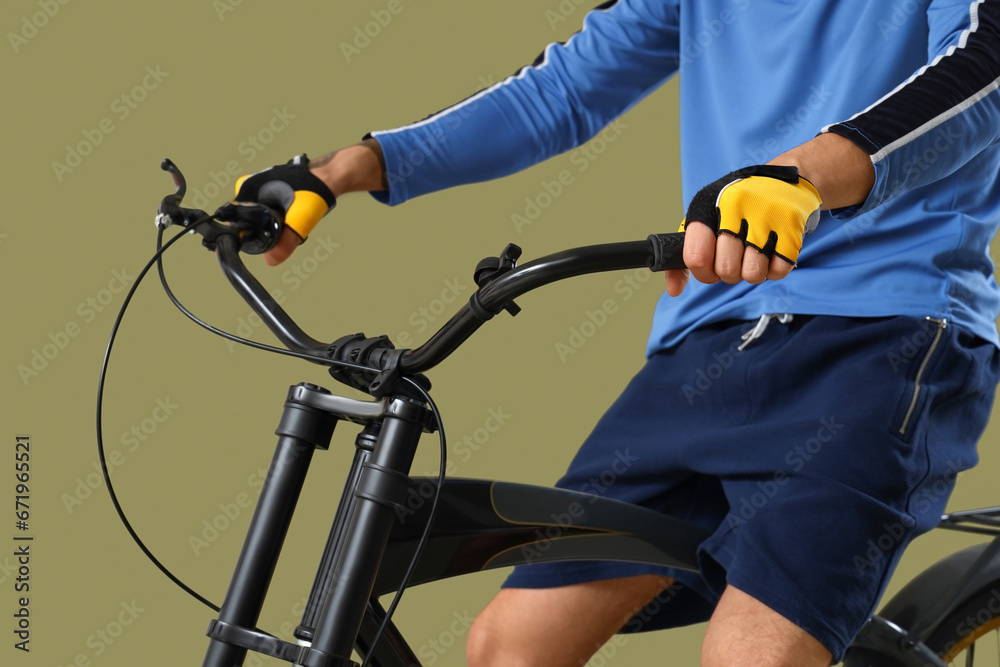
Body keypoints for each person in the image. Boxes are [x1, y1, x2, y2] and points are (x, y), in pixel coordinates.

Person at [231, 1, 1000, 664]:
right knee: (511, 645)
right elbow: (562, 90)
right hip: (709, 341)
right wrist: (346, 168)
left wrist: (799, 175)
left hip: (886, 332)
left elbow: (981, 68)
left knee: (751, 653)